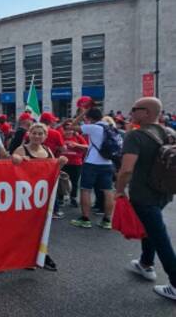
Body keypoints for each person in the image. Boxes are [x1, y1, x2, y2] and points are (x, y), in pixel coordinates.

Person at [115, 97, 176, 301]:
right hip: (164, 191)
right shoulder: (169, 132)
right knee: (150, 228)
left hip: (143, 194)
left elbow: (126, 169)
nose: (130, 112)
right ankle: (145, 263)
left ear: (147, 112)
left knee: (159, 236)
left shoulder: (136, 136)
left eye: (134, 109)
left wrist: (119, 189)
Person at [12, 123, 68, 270]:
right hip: (25, 196)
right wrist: (16, 159)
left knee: (42, 226)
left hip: (43, 196)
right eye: (34, 133)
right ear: (29, 134)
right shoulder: (22, 149)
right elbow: (12, 163)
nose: (37, 136)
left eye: (40, 134)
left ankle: (40, 254)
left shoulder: (48, 150)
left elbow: (52, 172)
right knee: (25, 227)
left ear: (45, 136)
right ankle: (26, 256)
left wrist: (61, 163)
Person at [70, 107, 115, 230]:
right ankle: (107, 220)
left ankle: (85, 219)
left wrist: (82, 114)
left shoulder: (93, 127)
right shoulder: (110, 127)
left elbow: (72, 126)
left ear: (89, 118)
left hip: (92, 163)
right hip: (108, 162)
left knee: (86, 190)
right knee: (108, 191)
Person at [60, 119, 88, 208]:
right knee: (61, 181)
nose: (68, 131)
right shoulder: (60, 136)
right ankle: (60, 198)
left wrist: (76, 145)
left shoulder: (78, 137)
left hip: (76, 163)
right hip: (63, 163)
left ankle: (73, 198)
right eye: (66, 129)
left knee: (74, 182)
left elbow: (87, 146)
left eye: (70, 129)